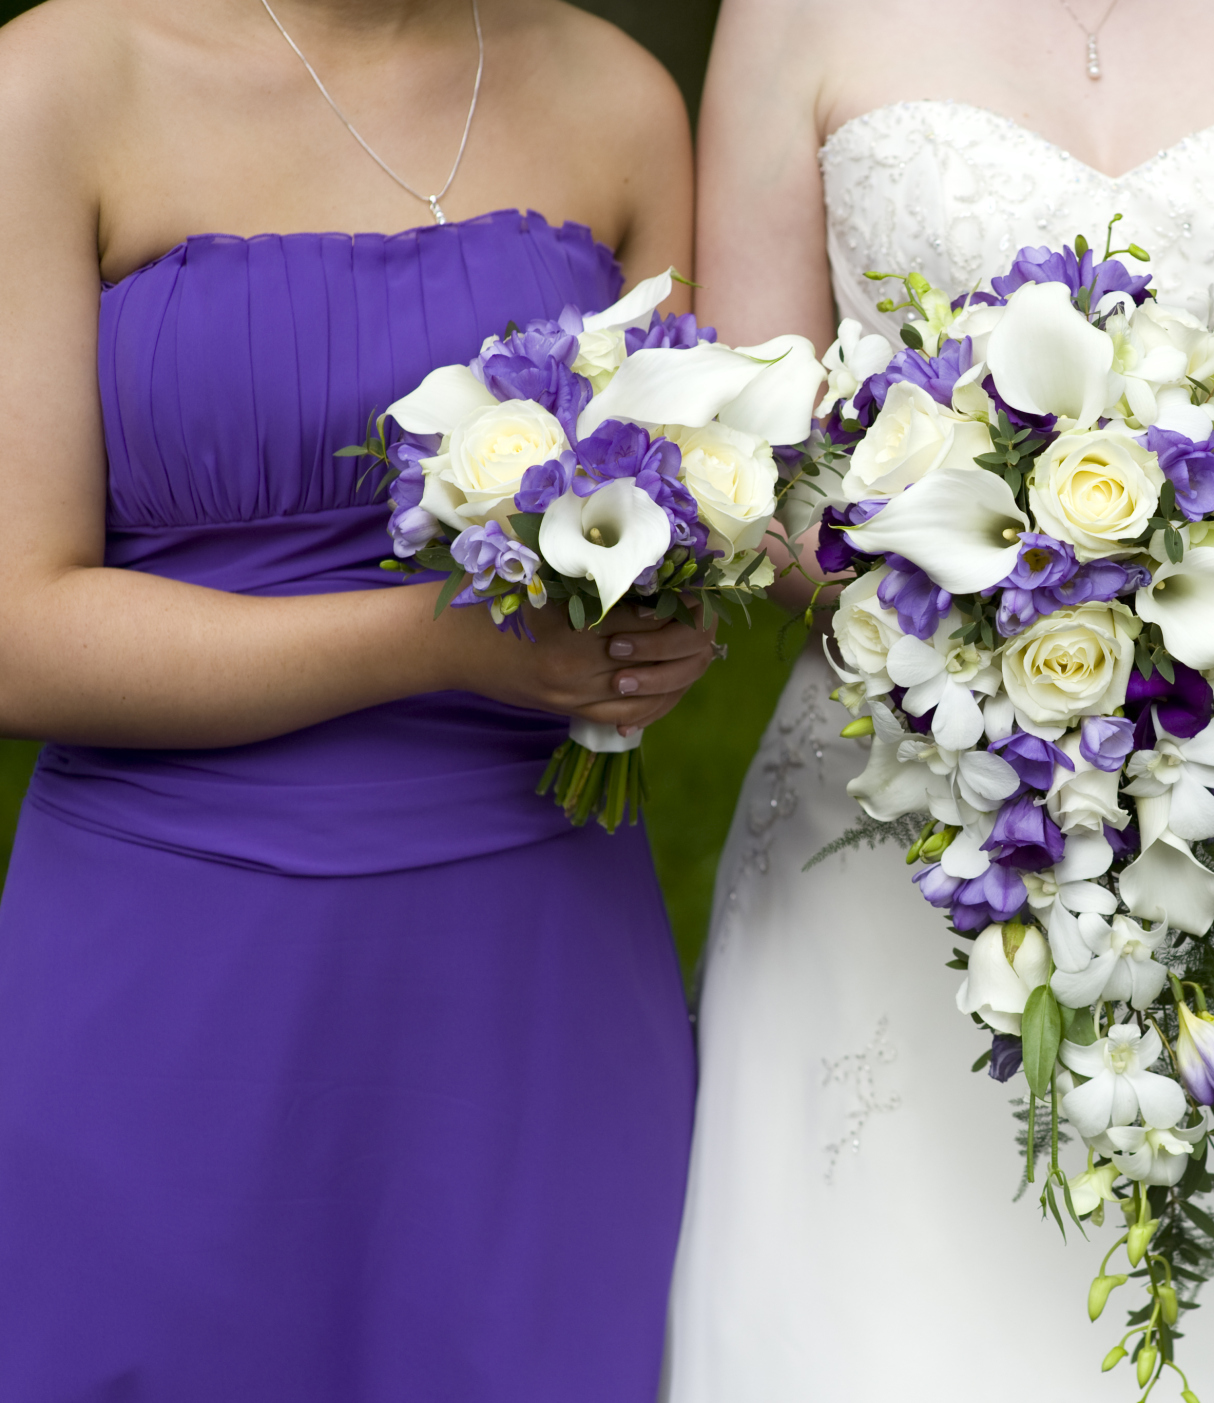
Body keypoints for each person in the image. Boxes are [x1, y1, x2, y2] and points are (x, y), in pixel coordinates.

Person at [662, 1, 1214, 1398]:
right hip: (899, 789)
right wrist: (984, 615)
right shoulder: (792, 14)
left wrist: (1192, 610)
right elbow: (754, 462)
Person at [0, 1, 707, 1397]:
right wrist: (434, 646)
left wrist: (668, 633)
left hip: (534, 969)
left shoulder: (614, 93)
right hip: (176, 965)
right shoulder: (58, 81)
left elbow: (692, 508)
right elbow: (19, 628)